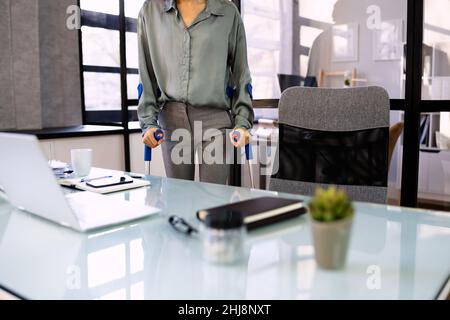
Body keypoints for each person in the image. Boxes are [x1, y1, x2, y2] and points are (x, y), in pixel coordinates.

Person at [137, 0, 254, 185]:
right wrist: (147, 122)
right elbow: (146, 73)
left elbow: (241, 75)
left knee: (213, 201)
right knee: (178, 198)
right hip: (172, 119)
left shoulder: (228, 12)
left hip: (215, 119)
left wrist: (243, 123)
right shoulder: (151, 10)